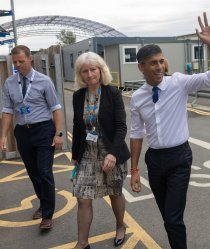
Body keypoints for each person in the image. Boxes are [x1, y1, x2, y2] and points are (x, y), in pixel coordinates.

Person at [129, 13, 210, 249]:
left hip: (179, 157)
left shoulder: (179, 82)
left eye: (161, 61)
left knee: (172, 218)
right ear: (141, 67)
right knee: (167, 218)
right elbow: (136, 134)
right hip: (155, 160)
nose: (160, 66)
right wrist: (134, 169)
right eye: (153, 63)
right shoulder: (138, 98)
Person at [71, 52, 130, 249]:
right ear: (81, 74)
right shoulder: (79, 95)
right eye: (85, 71)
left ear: (101, 70)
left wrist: (113, 154)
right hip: (88, 154)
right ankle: (82, 243)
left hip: (111, 151)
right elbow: (77, 126)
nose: (89, 74)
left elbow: (121, 126)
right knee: (82, 198)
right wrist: (74, 155)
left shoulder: (113, 93)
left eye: (93, 69)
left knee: (115, 192)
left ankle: (120, 226)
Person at [0, 45, 63, 229]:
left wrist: (58, 134)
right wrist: (3, 136)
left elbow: (55, 109)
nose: (17, 65)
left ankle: (47, 215)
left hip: (44, 131)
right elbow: (7, 110)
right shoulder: (10, 83)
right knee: (33, 173)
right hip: (23, 132)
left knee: (44, 172)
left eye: (21, 61)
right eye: (15, 62)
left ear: (30, 59)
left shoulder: (44, 81)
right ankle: (43, 204)